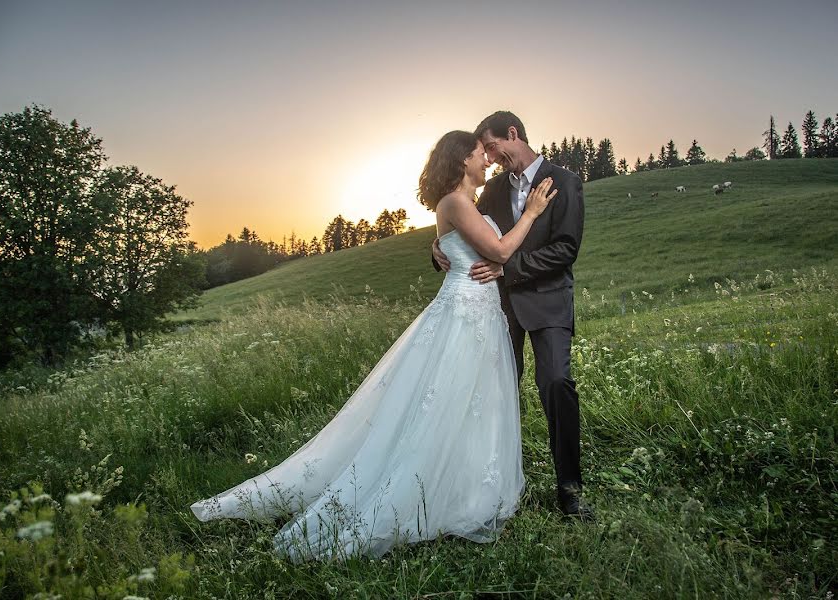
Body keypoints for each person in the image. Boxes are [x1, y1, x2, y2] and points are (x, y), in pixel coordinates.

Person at [190, 130, 556, 562]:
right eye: (480, 155)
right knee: (444, 406)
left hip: (481, 314)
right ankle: (419, 494)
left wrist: (462, 252)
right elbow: (497, 247)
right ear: (461, 162)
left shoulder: (465, 204)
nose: (486, 161)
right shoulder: (455, 203)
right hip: (462, 316)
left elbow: (478, 251)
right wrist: (531, 214)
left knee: (473, 406)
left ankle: (465, 489)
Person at [431, 111, 593, 521]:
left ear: (513, 134)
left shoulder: (565, 181)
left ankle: (570, 490)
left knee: (556, 382)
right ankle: (489, 483)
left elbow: (566, 249)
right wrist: (436, 251)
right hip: (499, 308)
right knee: (494, 392)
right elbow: (466, 228)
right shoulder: (494, 190)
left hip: (549, 301)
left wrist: (510, 268)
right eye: (483, 152)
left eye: (491, 147)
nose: (489, 157)